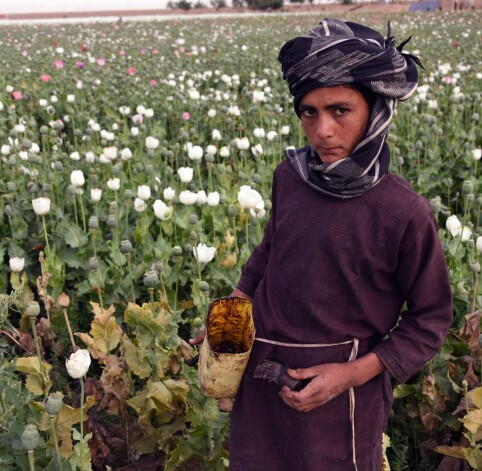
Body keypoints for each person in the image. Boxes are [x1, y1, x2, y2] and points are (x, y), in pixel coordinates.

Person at [192, 18, 453, 470]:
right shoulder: (289, 177)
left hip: (341, 396)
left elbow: (430, 320)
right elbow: (271, 250)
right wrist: (231, 313)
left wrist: (349, 376)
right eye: (308, 112)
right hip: (261, 371)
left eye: (340, 111)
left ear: (375, 112)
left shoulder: (404, 213)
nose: (323, 131)